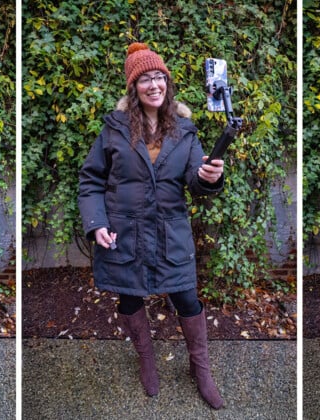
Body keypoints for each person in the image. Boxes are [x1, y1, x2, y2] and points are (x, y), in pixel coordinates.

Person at [78, 42, 226, 409]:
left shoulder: (185, 131)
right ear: (134, 87)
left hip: (170, 234)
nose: (154, 85)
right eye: (145, 79)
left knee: (187, 299)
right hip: (124, 233)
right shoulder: (113, 129)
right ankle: (146, 361)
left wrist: (209, 177)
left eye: (159, 77)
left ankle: (200, 369)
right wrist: (96, 223)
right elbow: (91, 181)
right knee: (130, 296)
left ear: (168, 83)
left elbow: (196, 181)